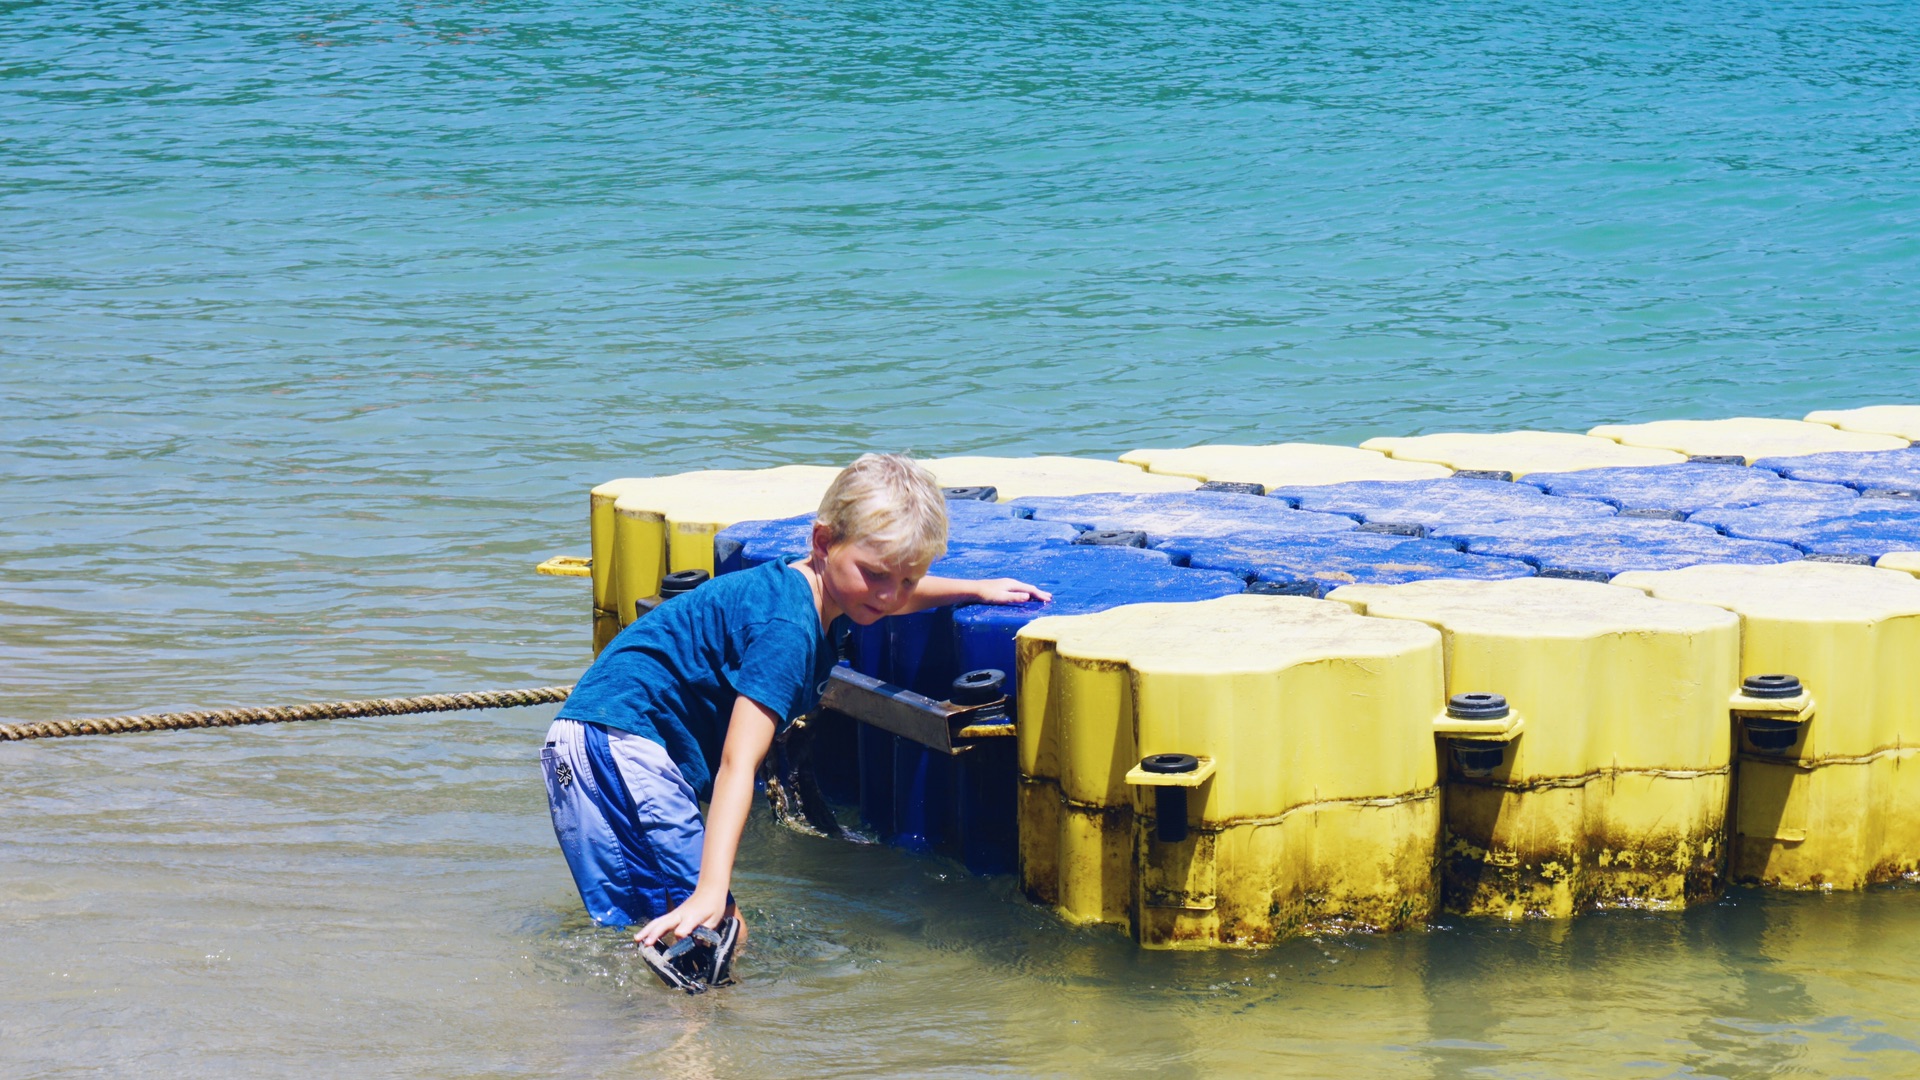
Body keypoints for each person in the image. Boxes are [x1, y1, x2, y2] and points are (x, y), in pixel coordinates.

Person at [540, 453, 1050, 987]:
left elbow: (887, 597)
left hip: (590, 743)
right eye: (876, 574)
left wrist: (974, 588)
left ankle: (620, 1036)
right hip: (620, 747)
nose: (888, 594)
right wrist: (714, 887)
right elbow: (740, 762)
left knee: (656, 938)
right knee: (713, 932)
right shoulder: (789, 629)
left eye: (907, 579)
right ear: (823, 542)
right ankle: (688, 1056)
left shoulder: (809, 584)